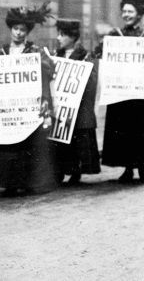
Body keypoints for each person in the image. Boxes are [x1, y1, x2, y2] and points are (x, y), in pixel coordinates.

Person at [95, 0, 144, 183]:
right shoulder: (114, 35)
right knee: (123, 129)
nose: (126, 15)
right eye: (124, 11)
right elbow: (99, 54)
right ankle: (128, 168)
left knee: (142, 129)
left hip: (141, 94)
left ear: (139, 14)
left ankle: (143, 168)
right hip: (121, 93)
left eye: (130, 11)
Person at [0, 3, 58, 196]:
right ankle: (8, 182)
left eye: (22, 30)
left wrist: (46, 107)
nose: (18, 33)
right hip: (8, 108)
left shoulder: (35, 52)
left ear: (28, 31)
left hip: (28, 107)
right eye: (15, 29)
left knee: (27, 143)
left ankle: (28, 181)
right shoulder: (1, 53)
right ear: (11, 29)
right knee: (8, 143)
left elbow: (48, 74)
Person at [54, 18, 100, 184]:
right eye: (58, 34)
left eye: (62, 35)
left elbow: (91, 81)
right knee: (58, 138)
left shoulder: (85, 56)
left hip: (78, 107)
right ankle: (59, 170)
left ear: (72, 37)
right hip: (61, 105)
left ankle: (75, 171)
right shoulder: (56, 54)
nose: (59, 38)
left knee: (76, 139)